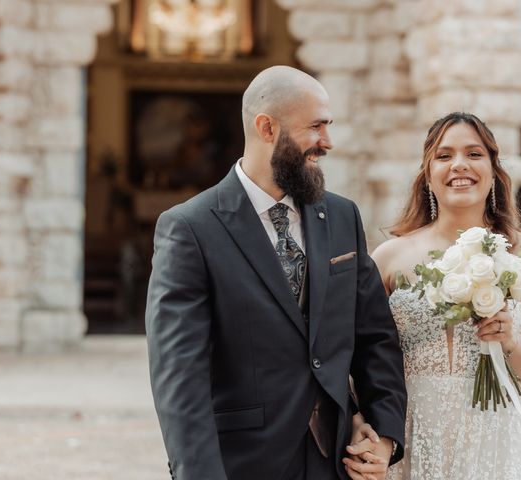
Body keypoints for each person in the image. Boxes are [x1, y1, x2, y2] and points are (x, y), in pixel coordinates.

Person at [145, 65, 407, 480]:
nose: (328, 142)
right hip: (244, 464)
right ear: (267, 127)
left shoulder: (342, 216)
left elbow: (376, 338)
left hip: (336, 462)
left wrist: (386, 434)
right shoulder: (190, 228)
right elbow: (180, 374)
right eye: (316, 127)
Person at [345, 112, 521, 479]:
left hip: (498, 438)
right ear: (428, 173)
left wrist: (510, 340)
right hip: (413, 433)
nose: (459, 165)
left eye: (474, 153)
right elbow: (361, 359)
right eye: (444, 155)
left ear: (494, 171)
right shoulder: (389, 258)